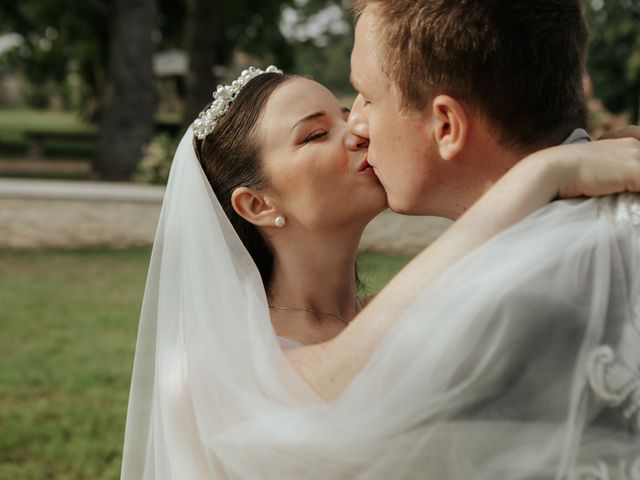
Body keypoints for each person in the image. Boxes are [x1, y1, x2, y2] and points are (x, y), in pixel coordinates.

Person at [121, 65, 640, 479]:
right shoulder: (202, 374)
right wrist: (542, 173)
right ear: (256, 203)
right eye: (316, 134)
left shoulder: (404, 316)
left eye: (349, 113)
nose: (358, 133)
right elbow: (327, 381)